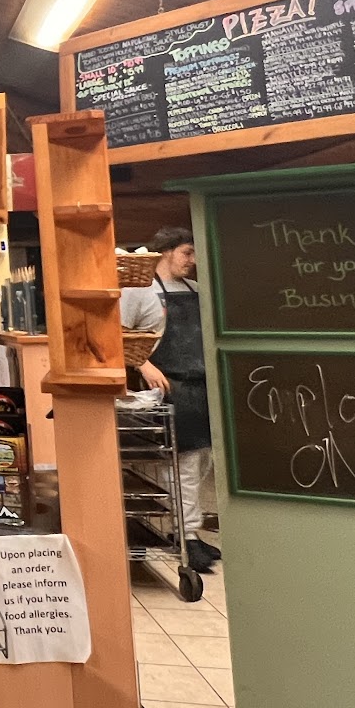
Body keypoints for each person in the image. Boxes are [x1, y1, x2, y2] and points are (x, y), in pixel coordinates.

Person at [136, 226, 220, 574]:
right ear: (166, 251)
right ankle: (186, 535)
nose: (192, 260)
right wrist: (144, 364)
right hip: (169, 387)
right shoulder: (141, 292)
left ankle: (191, 530)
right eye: (187, 252)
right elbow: (117, 336)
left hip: (200, 386)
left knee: (202, 463)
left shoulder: (194, 290)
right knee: (182, 465)